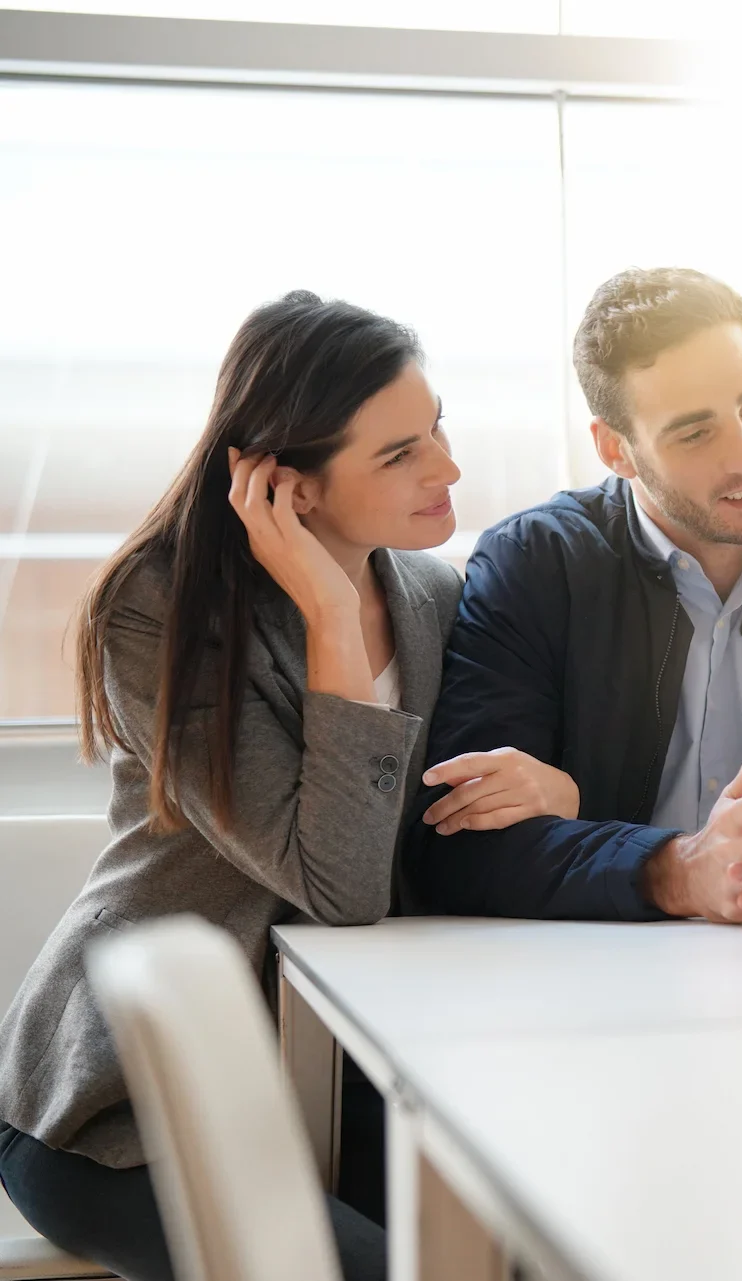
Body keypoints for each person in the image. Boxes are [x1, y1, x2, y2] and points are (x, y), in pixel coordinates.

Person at [0, 292, 571, 1281]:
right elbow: (340, 884)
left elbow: (437, 841)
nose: (448, 468)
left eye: (436, 429)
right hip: (126, 1110)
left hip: (347, 1081)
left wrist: (552, 791)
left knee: (537, 1250)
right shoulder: (158, 612)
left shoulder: (438, 597)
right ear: (290, 489)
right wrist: (329, 615)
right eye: (398, 455)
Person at [411, 267, 742, 924]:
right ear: (615, 449)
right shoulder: (538, 565)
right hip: (607, 980)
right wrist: (681, 870)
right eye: (695, 432)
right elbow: (458, 849)